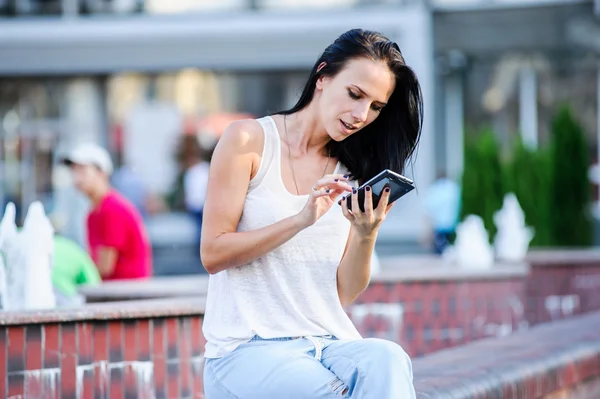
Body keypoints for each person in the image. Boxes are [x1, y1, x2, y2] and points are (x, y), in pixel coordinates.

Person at [200, 29, 423, 398]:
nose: (360, 115)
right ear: (323, 76)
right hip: (246, 350)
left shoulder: (354, 171)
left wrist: (366, 232)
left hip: (328, 343)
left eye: (375, 107)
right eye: (355, 95)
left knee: (389, 359)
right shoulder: (249, 140)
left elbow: (345, 292)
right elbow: (213, 253)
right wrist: (300, 220)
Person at [61, 143, 153, 281]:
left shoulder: (112, 209)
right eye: (74, 171)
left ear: (101, 173)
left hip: (127, 294)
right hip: (112, 291)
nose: (76, 178)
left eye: (82, 170)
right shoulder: (94, 212)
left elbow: (105, 267)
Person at [423, 171, 461, 254]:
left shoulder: (435, 189)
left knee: (440, 252)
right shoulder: (454, 188)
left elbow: (429, 209)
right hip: (453, 225)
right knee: (451, 250)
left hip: (439, 226)